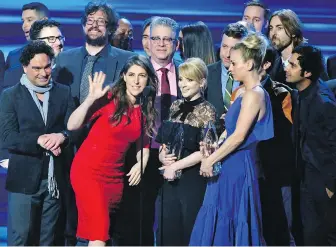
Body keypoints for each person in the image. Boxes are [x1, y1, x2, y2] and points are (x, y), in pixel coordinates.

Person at [190, 33, 274, 246]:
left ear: (249, 64)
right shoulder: (242, 92)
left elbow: (238, 137)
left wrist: (210, 160)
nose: (229, 67)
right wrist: (213, 147)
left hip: (237, 168)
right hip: (227, 164)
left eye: (235, 63)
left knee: (230, 221)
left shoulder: (255, 94)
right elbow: (230, 132)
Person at [68, 55, 158, 246]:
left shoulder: (145, 107)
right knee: (99, 235)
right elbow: (72, 125)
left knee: (94, 234)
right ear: (124, 76)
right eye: (131, 74)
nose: (136, 80)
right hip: (89, 173)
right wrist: (90, 99)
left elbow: (145, 144)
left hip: (114, 178)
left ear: (148, 79)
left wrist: (141, 164)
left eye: (141, 75)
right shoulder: (109, 98)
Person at [0, 40, 75, 245]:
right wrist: (39, 140)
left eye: (47, 66)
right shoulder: (10, 95)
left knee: (48, 239)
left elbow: (74, 129)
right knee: (21, 237)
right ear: (25, 67)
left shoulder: (64, 92)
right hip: (24, 179)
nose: (43, 73)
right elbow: (7, 137)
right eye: (37, 68)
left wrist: (63, 137)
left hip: (55, 179)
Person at [155, 57, 216, 245]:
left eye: (189, 80)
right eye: (181, 79)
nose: (183, 84)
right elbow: (163, 142)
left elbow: (205, 150)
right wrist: (162, 157)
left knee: (188, 230)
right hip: (168, 180)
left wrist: (177, 166)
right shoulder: (175, 106)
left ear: (202, 82)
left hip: (191, 180)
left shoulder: (208, 110)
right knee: (168, 230)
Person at [286, 44, 336, 245]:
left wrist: (330, 186)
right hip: (305, 178)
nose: (286, 68)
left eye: (291, 65)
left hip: (322, 181)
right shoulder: (299, 95)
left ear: (307, 72)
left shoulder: (324, 103)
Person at [4, 2, 49, 90]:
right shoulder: (14, 56)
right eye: (23, 21)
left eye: (29, 20)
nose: (24, 25)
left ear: (44, 21)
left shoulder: (60, 55)